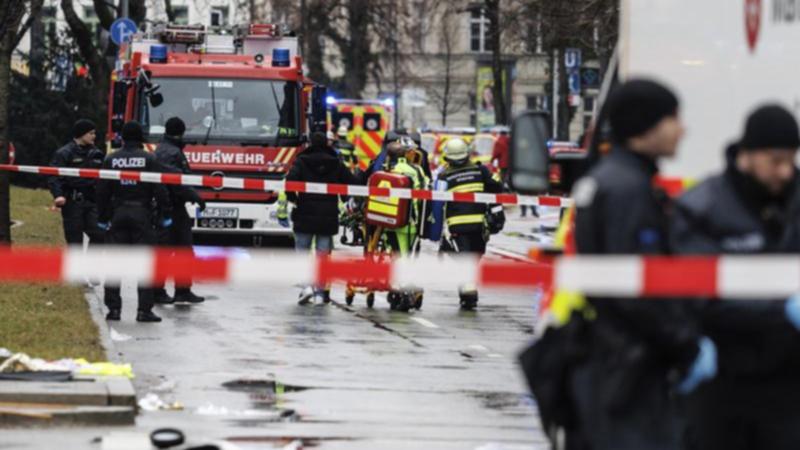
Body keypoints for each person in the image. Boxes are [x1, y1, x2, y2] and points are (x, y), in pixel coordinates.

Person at [567, 79, 715, 450]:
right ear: (645, 124)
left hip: (611, 357)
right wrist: (686, 346)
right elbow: (638, 285)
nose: (682, 129)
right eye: (673, 118)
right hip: (632, 366)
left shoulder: (609, 179)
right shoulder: (628, 190)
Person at [671, 104, 800, 449]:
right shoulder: (703, 208)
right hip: (722, 383)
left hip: (789, 384)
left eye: (792, 159)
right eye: (776, 160)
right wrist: (781, 309)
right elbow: (695, 292)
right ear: (748, 154)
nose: (786, 171)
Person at [97, 121, 171, 323]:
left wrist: (102, 218)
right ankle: (144, 310)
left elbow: (102, 191)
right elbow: (160, 189)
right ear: (141, 138)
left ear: (122, 137)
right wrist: (166, 215)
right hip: (142, 214)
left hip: (118, 213)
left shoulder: (111, 159)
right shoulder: (149, 159)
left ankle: (114, 309)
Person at [286, 131, 360, 305]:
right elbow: (351, 182)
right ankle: (320, 293)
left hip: (304, 213)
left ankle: (306, 287)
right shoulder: (336, 162)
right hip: (327, 216)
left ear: (310, 143)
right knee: (323, 256)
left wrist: (294, 199)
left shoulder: (302, 160)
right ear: (327, 143)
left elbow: (290, 181)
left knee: (302, 252)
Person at [436, 138, 503, 310]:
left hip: (457, 227)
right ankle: (468, 290)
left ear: (448, 158)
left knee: (464, 259)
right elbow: (496, 188)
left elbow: (436, 203)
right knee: (474, 257)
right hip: (479, 226)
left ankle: (468, 289)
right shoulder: (480, 171)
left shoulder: (444, 176)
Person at [153, 117, 207, 306]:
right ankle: (162, 291)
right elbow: (176, 181)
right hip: (170, 207)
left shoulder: (165, 148)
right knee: (173, 250)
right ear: (181, 131)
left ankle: (180, 290)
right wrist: (196, 197)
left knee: (177, 249)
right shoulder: (171, 152)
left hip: (171, 206)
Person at [48, 119, 106, 246]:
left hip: (92, 202)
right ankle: (78, 265)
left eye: (94, 133)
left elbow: (103, 177)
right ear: (81, 134)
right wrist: (58, 195)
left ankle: (91, 265)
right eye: (91, 133)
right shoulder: (64, 153)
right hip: (72, 203)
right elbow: (54, 176)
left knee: (100, 235)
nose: (94, 136)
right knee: (75, 242)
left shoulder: (97, 153)